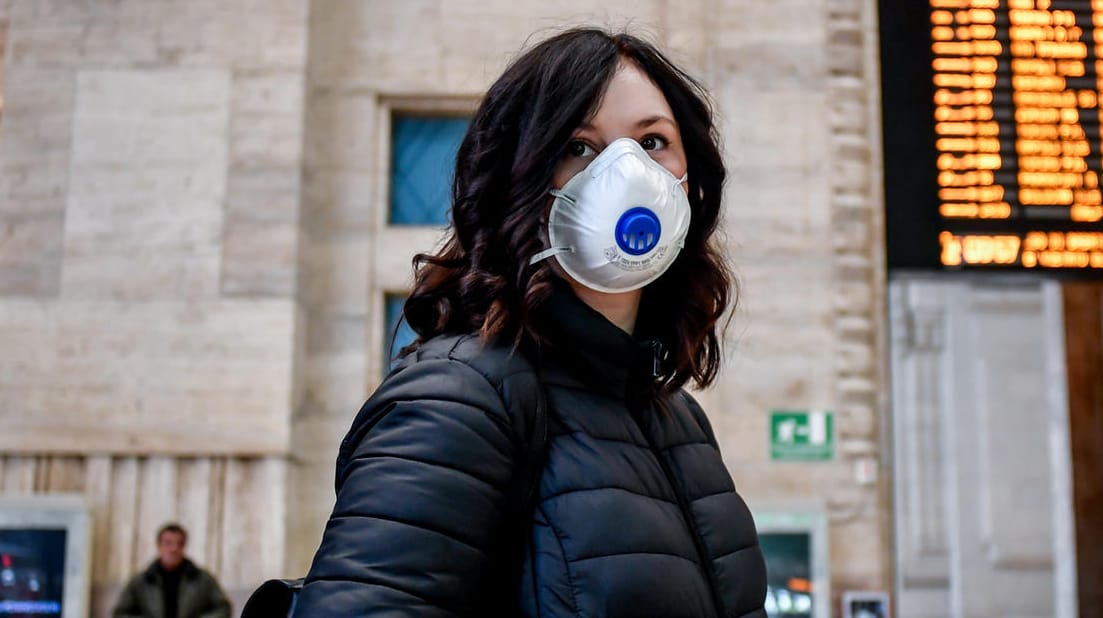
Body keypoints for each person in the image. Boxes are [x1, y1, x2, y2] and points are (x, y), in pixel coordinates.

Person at [296, 27, 767, 617]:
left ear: (690, 179)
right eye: (578, 146)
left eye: (652, 142)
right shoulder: (459, 398)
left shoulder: (677, 418)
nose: (627, 175)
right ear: (518, 181)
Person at [113, 523, 231, 618]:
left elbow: (223, 609)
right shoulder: (141, 581)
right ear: (159, 546)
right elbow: (120, 613)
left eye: (179, 544)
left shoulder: (203, 579)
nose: (174, 549)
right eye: (168, 543)